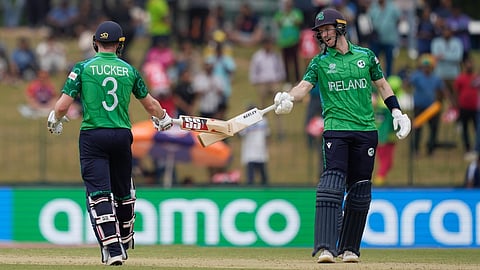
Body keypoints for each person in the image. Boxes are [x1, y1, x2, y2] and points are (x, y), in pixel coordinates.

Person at [272, 9, 411, 263]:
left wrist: (397, 112)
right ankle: (325, 248)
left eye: (327, 29)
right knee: (331, 185)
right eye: (320, 32)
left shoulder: (365, 56)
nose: (323, 35)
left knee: (360, 189)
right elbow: (304, 86)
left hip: (366, 131)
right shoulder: (320, 62)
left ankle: (350, 249)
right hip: (336, 129)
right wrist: (289, 97)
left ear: (340, 28)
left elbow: (381, 84)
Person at [46, 21, 173, 266]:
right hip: (122, 135)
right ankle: (125, 238)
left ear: (95, 43)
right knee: (124, 192)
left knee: (99, 194)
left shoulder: (82, 68)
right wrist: (164, 118)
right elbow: (151, 105)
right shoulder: (129, 71)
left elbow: (62, 106)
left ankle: (113, 249)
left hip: (94, 136)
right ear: (120, 44)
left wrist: (55, 119)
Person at [409, 54, 446, 156]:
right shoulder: (417, 76)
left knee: (433, 128)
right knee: (417, 128)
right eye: (425, 66)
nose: (426, 69)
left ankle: (431, 149)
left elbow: (442, 90)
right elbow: (408, 83)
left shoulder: (436, 78)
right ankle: (415, 149)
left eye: (428, 66)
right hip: (419, 106)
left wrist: (441, 102)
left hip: (431, 107)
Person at [373, 75, 404, 186]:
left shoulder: (380, 104)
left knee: (386, 162)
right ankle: (379, 180)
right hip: (385, 139)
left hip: (380, 137)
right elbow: (389, 125)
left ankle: (381, 179)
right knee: (386, 162)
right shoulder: (390, 107)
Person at [239, 104, 270, 186]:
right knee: (250, 178)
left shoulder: (263, 121)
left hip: (260, 152)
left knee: (263, 177)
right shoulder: (244, 122)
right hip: (250, 153)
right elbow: (241, 134)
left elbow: (267, 135)